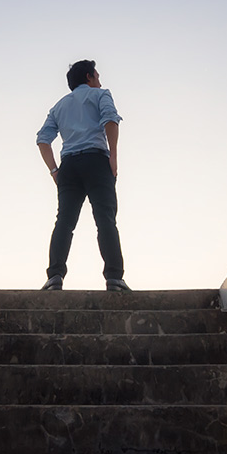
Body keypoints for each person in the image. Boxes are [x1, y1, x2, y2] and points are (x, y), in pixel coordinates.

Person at [36, 59, 130, 291]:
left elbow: (42, 139)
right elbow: (110, 120)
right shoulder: (100, 95)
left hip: (68, 166)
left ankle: (54, 276)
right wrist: (113, 157)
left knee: (64, 222)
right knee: (105, 219)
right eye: (97, 75)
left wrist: (54, 170)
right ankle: (114, 278)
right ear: (89, 76)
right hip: (96, 161)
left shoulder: (59, 106)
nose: (100, 80)